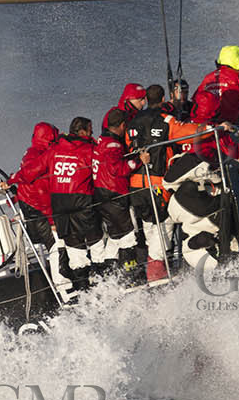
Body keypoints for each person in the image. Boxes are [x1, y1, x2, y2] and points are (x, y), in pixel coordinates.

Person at [47, 116, 100, 291]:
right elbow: (102, 169)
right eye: (90, 129)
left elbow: (33, 169)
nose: (92, 132)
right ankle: (104, 282)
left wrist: (13, 180)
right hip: (81, 201)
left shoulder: (54, 149)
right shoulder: (89, 149)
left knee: (74, 249)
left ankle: (83, 290)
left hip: (59, 205)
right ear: (83, 131)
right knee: (97, 242)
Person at [91, 109, 141, 278]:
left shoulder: (102, 139)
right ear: (122, 125)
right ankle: (131, 277)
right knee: (128, 237)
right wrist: (139, 160)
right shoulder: (113, 145)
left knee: (115, 237)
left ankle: (108, 276)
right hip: (114, 195)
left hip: (101, 193)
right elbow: (117, 169)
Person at [163, 152, 235, 268]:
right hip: (203, 210)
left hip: (189, 208)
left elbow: (193, 244)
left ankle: (206, 166)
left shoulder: (195, 254)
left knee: (174, 184)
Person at [11, 122, 59, 248]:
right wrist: (51, 219)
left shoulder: (32, 152)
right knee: (57, 247)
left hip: (31, 208)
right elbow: (40, 189)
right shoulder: (40, 155)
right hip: (40, 210)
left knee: (56, 246)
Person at [195, 45, 239, 125]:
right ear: (237, 61)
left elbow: (196, 100)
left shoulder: (208, 77)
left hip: (208, 127)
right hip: (233, 127)